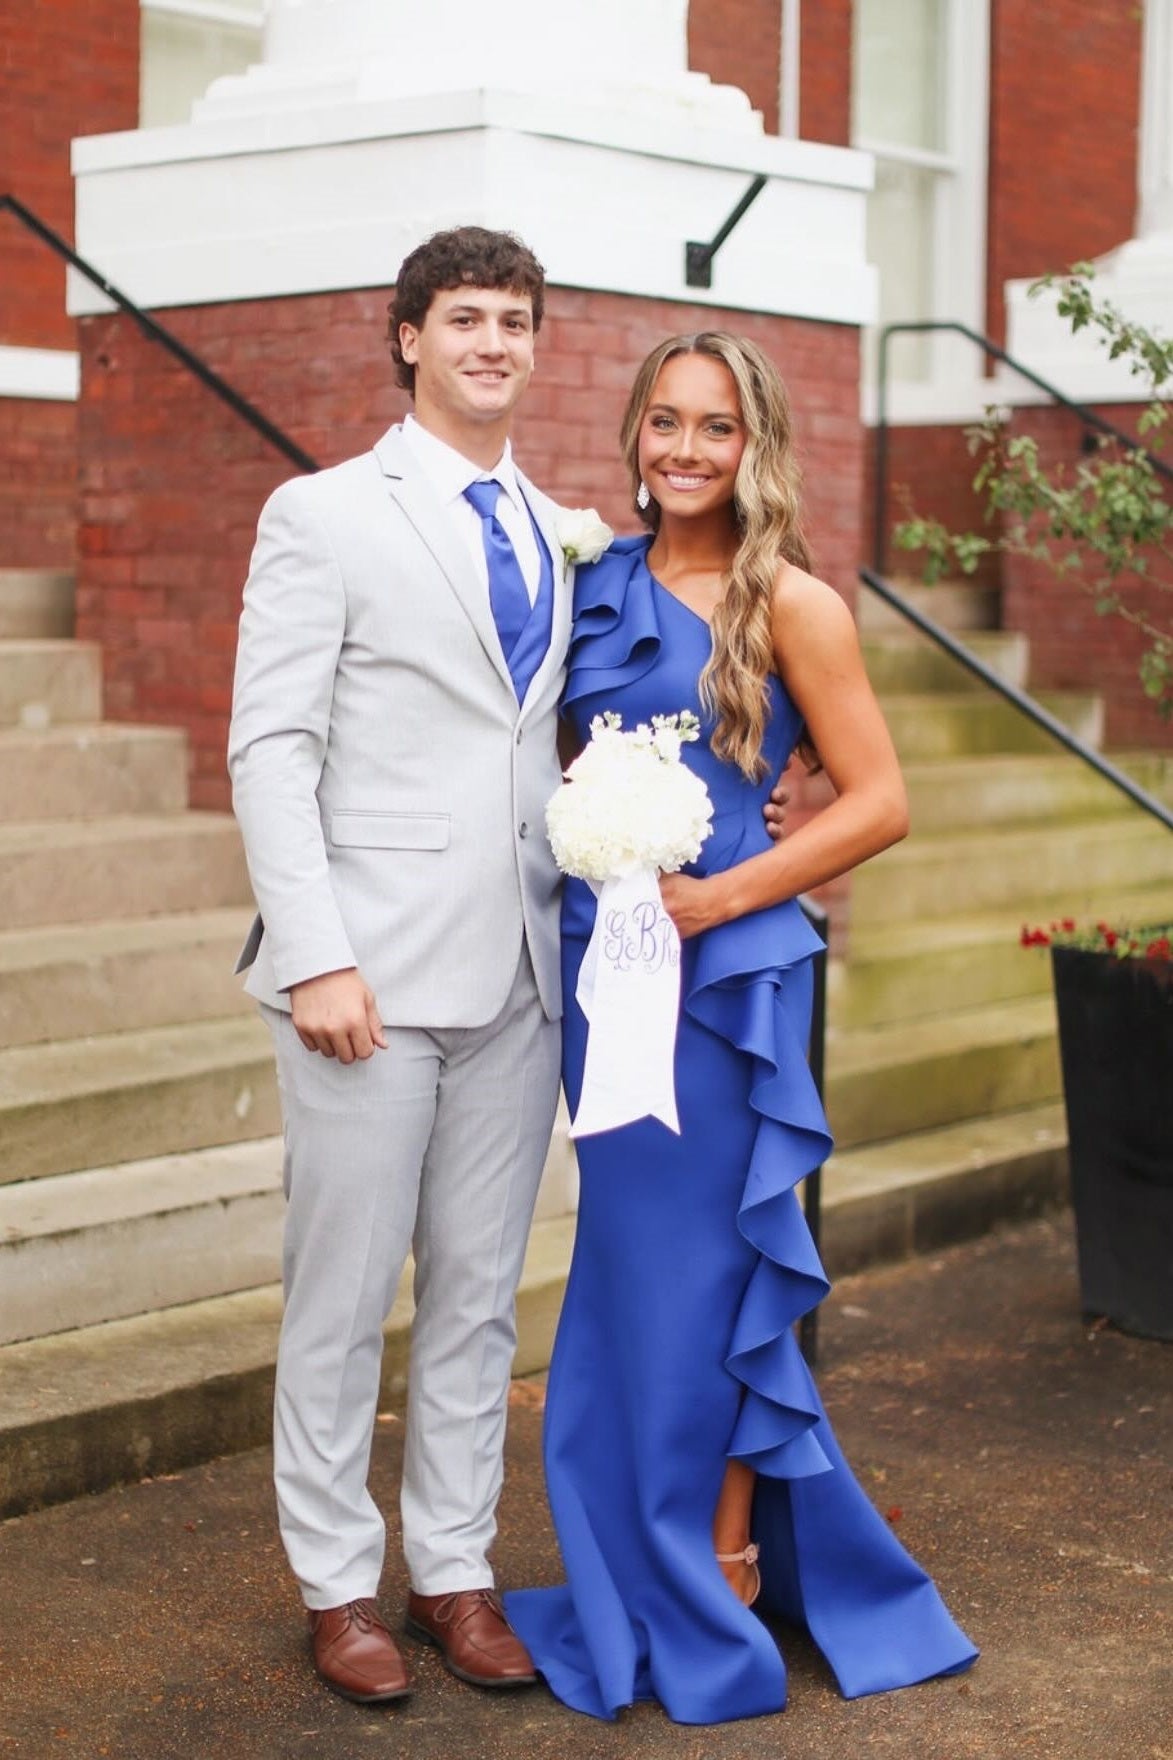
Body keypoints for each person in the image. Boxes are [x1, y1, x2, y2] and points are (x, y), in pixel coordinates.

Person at [505, 332, 979, 1723]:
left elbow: (877, 800)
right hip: (612, 979)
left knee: (713, 1280)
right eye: (666, 422)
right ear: (636, 436)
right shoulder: (593, 588)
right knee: (634, 1277)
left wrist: (732, 892)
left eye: (715, 428)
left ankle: (715, 1565)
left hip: (730, 986)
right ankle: (640, 1560)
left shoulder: (795, 604)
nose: (687, 451)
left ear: (754, 444)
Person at [228, 226, 570, 1704]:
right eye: (465, 319)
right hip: (362, 983)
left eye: (515, 321)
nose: (493, 342)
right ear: (408, 338)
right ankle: (334, 1588)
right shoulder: (321, 514)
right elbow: (272, 745)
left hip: (520, 983)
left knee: (481, 1297)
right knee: (341, 1293)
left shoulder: (563, 529)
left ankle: (452, 1570)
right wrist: (315, 957)